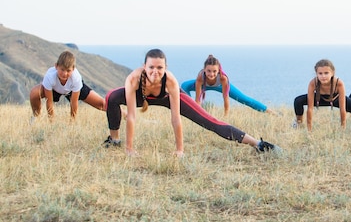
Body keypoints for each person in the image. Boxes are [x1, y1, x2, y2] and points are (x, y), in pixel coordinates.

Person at [103, 48, 279, 157]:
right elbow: (132, 117)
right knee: (111, 96)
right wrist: (129, 149)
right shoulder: (133, 79)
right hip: (141, 96)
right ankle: (115, 140)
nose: (155, 71)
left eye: (160, 67)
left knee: (210, 121)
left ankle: (258, 144)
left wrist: (180, 150)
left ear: (165, 68)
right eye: (151, 67)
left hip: (167, 97)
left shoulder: (170, 81)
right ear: (144, 66)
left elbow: (176, 119)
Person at [180, 55, 275, 116]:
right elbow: (198, 100)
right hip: (204, 84)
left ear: (218, 71)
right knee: (184, 86)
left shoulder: (223, 78)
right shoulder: (201, 77)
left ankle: (271, 113)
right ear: (204, 69)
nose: (211, 74)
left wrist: (226, 115)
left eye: (214, 71)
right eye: (208, 71)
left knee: (244, 99)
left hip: (220, 86)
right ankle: (188, 111)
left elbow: (225, 98)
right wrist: (198, 114)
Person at [29, 50, 105, 121]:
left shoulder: (76, 78)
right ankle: (36, 118)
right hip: (54, 89)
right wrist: (51, 122)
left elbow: (74, 102)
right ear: (56, 66)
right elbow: (49, 102)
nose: (65, 74)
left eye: (68, 70)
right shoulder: (50, 76)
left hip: (72, 90)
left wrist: (72, 122)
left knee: (102, 104)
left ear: (73, 69)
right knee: (34, 93)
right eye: (62, 69)